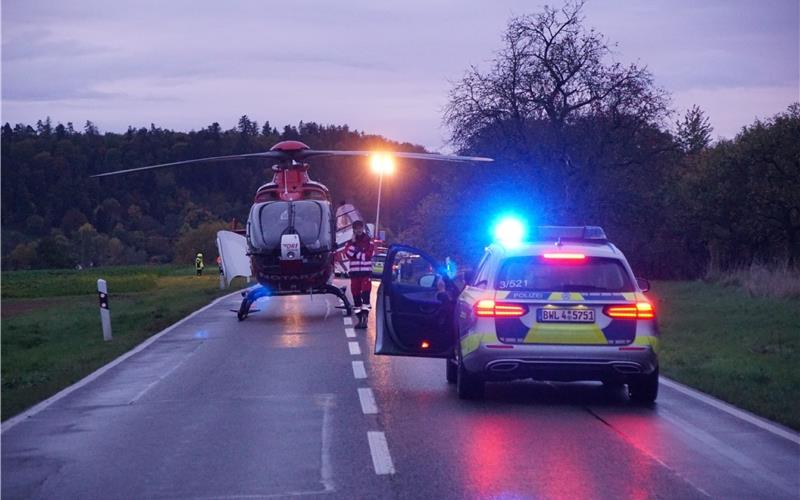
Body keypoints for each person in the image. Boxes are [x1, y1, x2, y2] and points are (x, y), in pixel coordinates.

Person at [344, 220, 375, 329]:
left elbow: (368, 256)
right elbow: (348, 254)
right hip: (354, 274)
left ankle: (365, 317)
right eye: (356, 228)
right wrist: (354, 245)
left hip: (366, 273)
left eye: (360, 228)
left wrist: (356, 254)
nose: (358, 230)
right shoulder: (350, 242)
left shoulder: (369, 242)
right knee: (356, 297)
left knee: (365, 297)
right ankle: (359, 318)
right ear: (353, 229)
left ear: (363, 228)